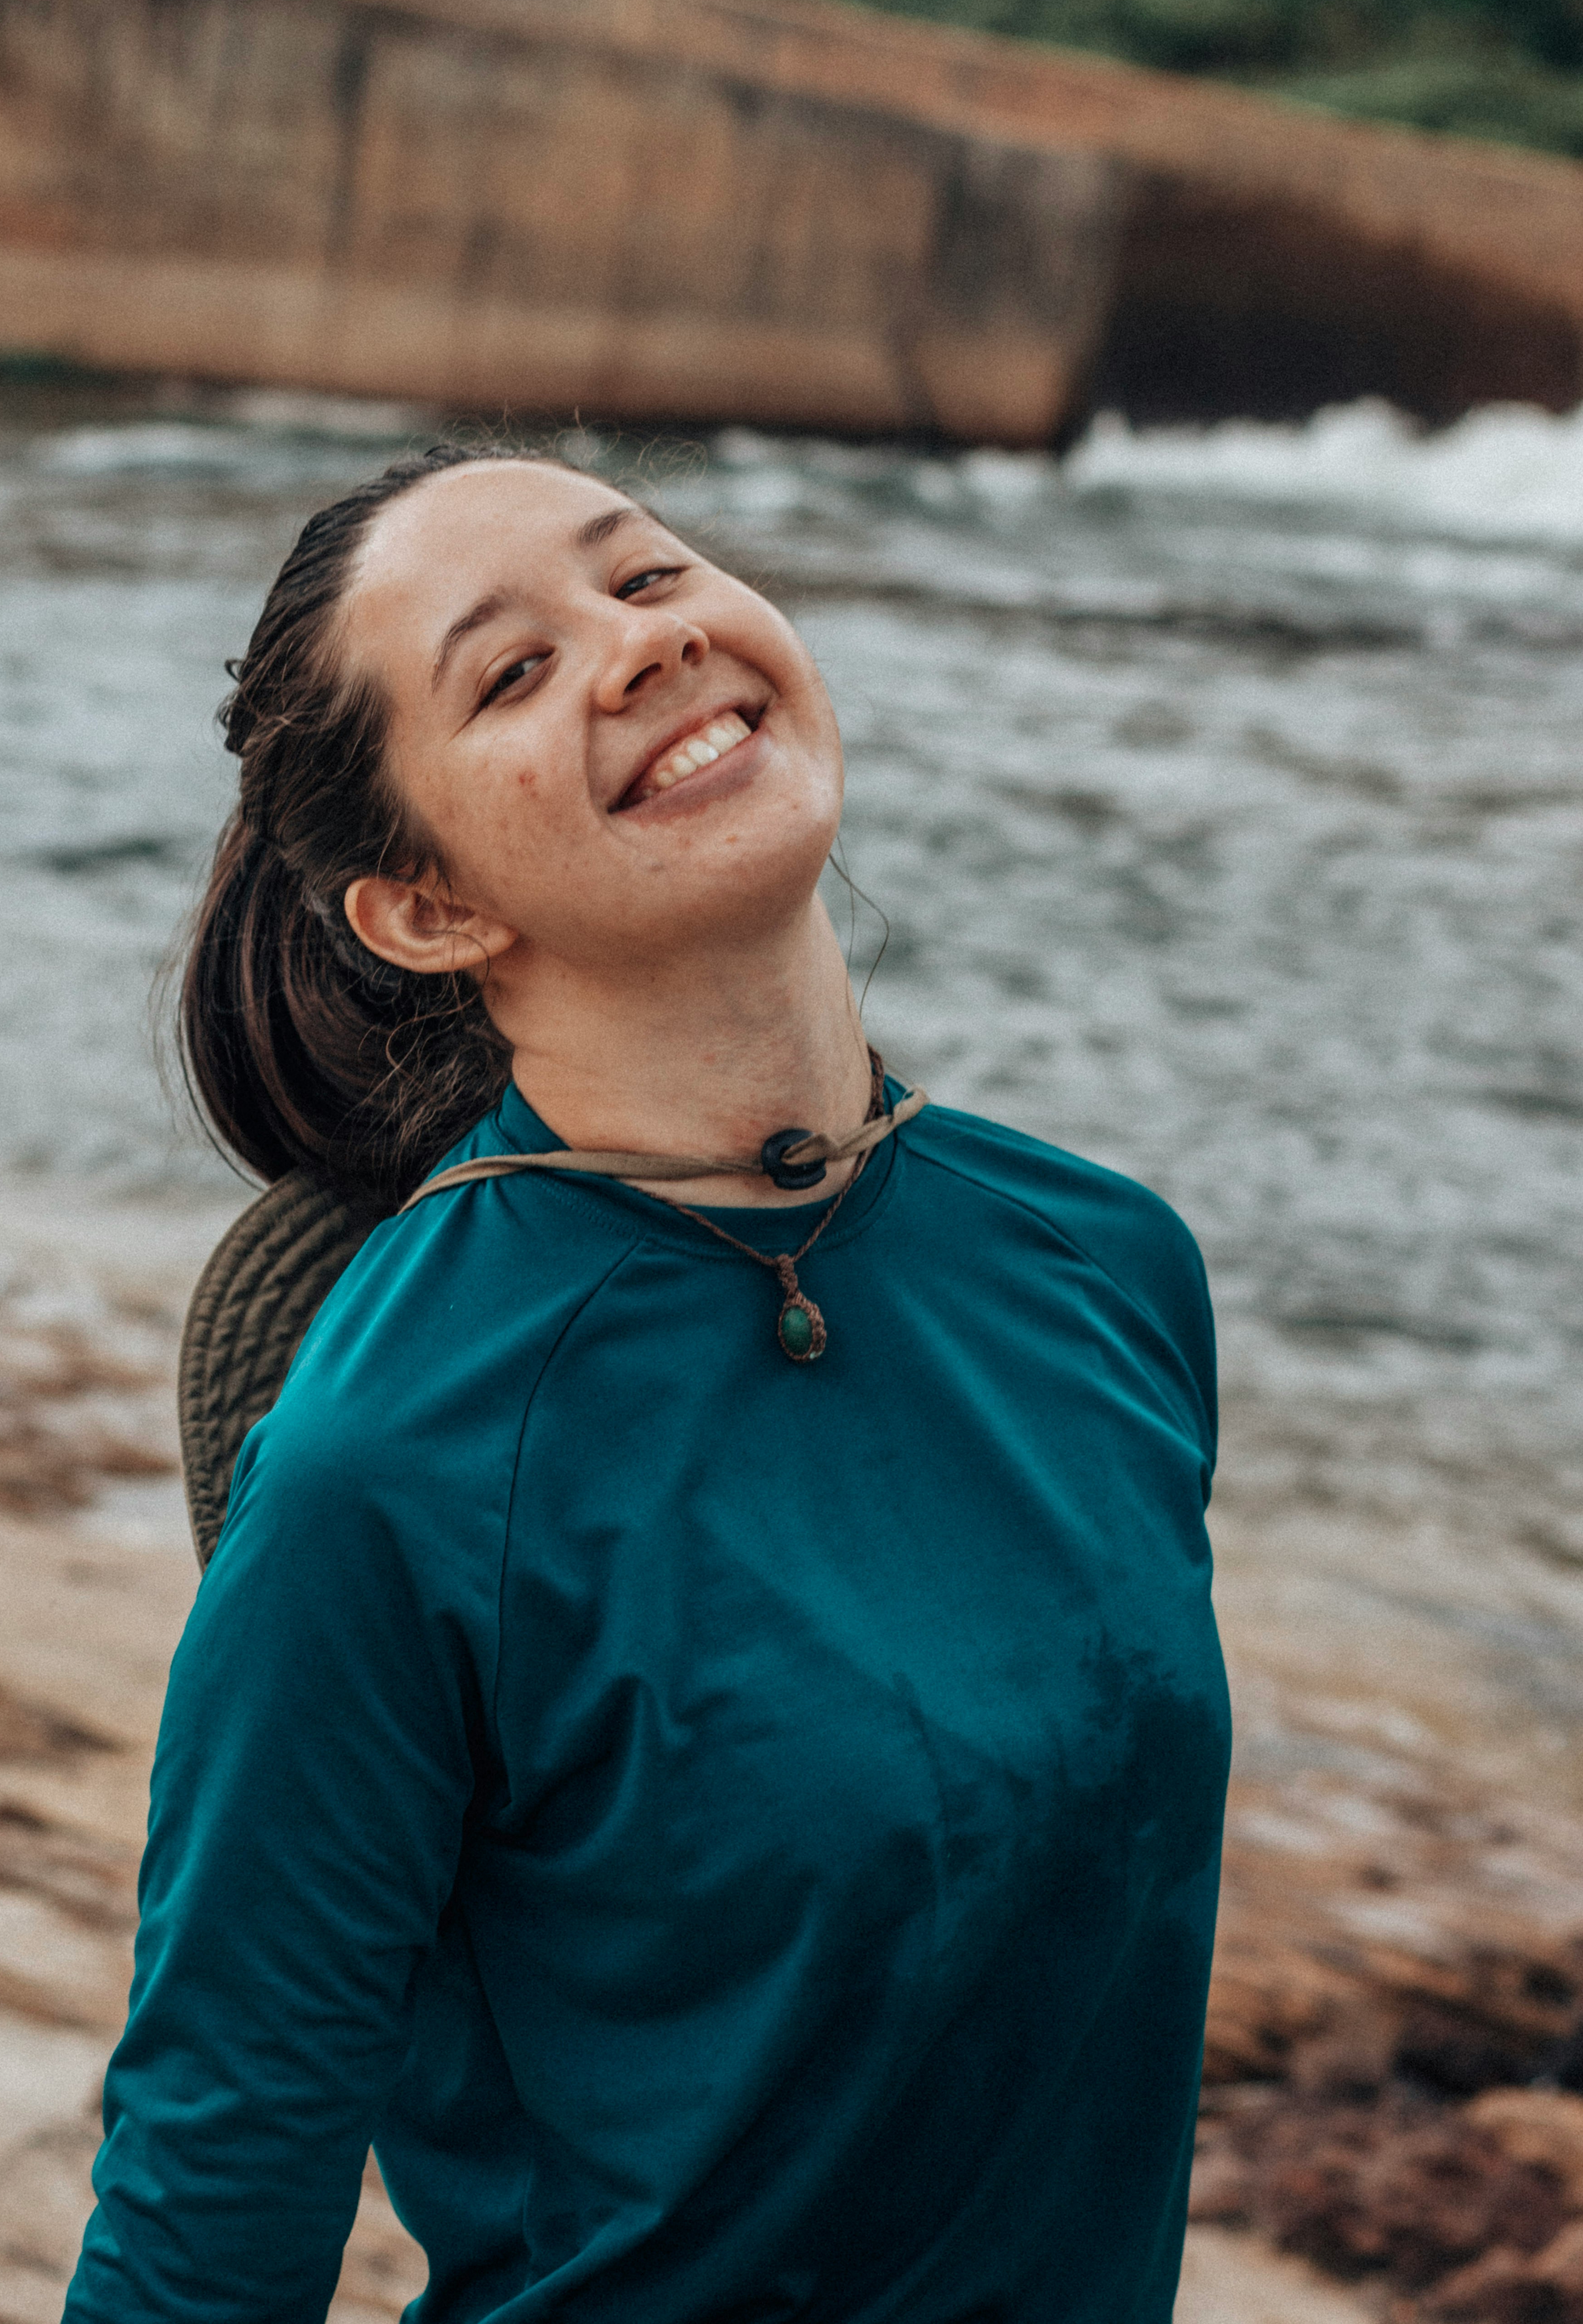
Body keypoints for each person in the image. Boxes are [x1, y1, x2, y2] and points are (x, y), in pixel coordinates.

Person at [63, 442, 1231, 2324]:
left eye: (650, 574)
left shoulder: (1106, 1267)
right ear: (428, 909)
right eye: (509, 672)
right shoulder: (386, 1463)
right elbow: (216, 2183)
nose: (641, 648)